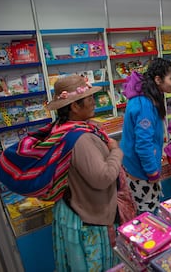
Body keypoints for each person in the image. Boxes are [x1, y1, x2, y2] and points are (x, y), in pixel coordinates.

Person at [45, 75, 124, 271]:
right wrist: (115, 151)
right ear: (74, 106)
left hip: (74, 208)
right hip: (90, 218)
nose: (94, 102)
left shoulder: (61, 128)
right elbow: (102, 177)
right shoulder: (81, 139)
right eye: (89, 98)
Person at [120, 58, 171, 214]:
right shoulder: (144, 104)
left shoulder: (147, 96)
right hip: (141, 170)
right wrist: (152, 172)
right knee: (147, 212)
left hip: (138, 166)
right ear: (158, 79)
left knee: (144, 207)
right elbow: (143, 144)